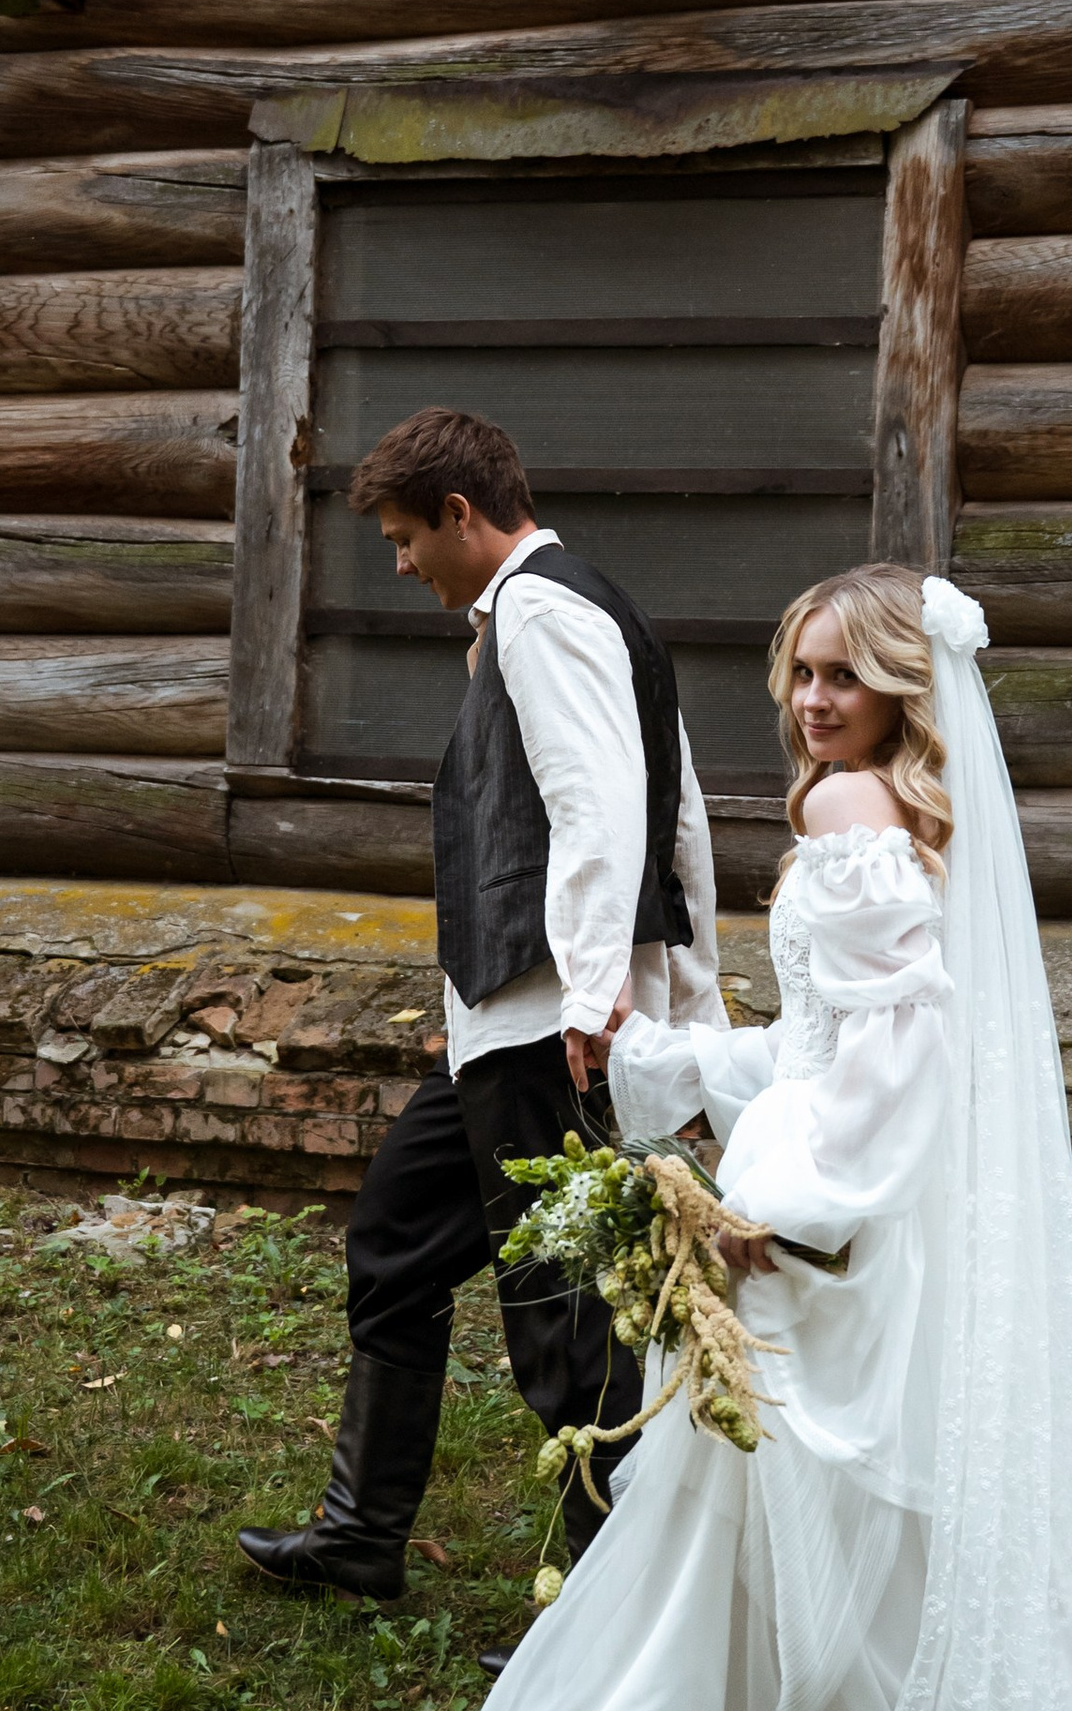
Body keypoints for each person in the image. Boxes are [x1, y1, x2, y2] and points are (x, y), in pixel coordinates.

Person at [440, 560, 1072, 1711]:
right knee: (773, 1520)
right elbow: (843, 1045)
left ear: (902, 688)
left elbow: (895, 1062)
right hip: (871, 1208)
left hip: (824, 1220)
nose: (814, 701)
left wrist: (770, 1208)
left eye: (843, 675)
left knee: (748, 1510)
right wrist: (665, 1068)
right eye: (800, 672)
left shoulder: (849, 812)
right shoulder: (910, 819)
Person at [239, 406, 724, 1608]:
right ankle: (362, 1534)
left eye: (406, 538)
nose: (399, 565)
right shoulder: (567, 605)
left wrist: (604, 996)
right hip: (502, 1027)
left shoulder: (544, 612)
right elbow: (688, 824)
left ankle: (608, 1627)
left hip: (549, 1027)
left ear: (463, 514)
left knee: (567, 1325)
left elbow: (606, 808)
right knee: (395, 1245)